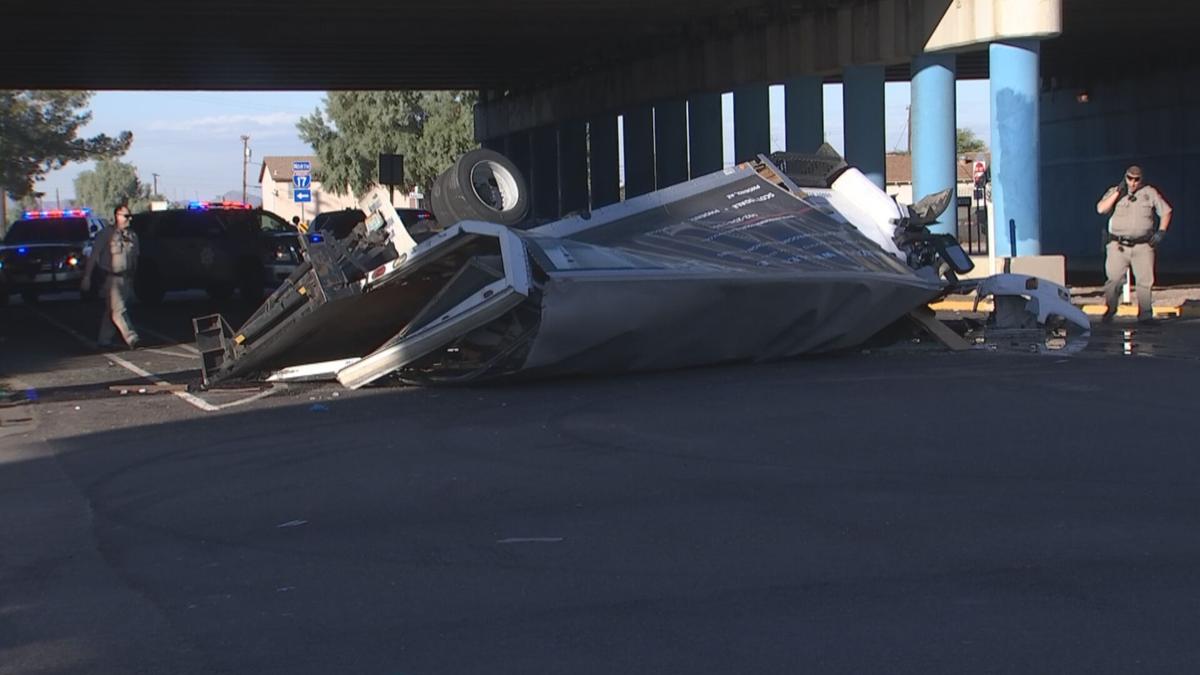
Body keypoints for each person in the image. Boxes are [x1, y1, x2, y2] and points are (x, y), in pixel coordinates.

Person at [1095, 165, 1172, 324]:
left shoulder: (1149, 193)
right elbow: (1101, 209)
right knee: (1114, 280)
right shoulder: (1116, 191)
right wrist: (1118, 192)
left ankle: (1145, 314)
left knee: (1145, 281)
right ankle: (1110, 309)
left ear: (1141, 179)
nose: (1133, 183)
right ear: (1125, 178)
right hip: (1118, 245)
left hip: (1143, 245)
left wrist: (1161, 232)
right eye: (1130, 178)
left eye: (1136, 179)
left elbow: (1166, 211)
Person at [82, 205, 141, 349]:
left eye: (130, 216)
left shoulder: (132, 236)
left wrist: (134, 278)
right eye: (126, 216)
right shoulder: (105, 234)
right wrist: (87, 277)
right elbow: (94, 256)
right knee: (119, 310)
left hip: (126, 278)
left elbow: (135, 258)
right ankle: (131, 337)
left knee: (112, 310)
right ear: (117, 216)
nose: (129, 219)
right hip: (111, 279)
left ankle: (104, 339)